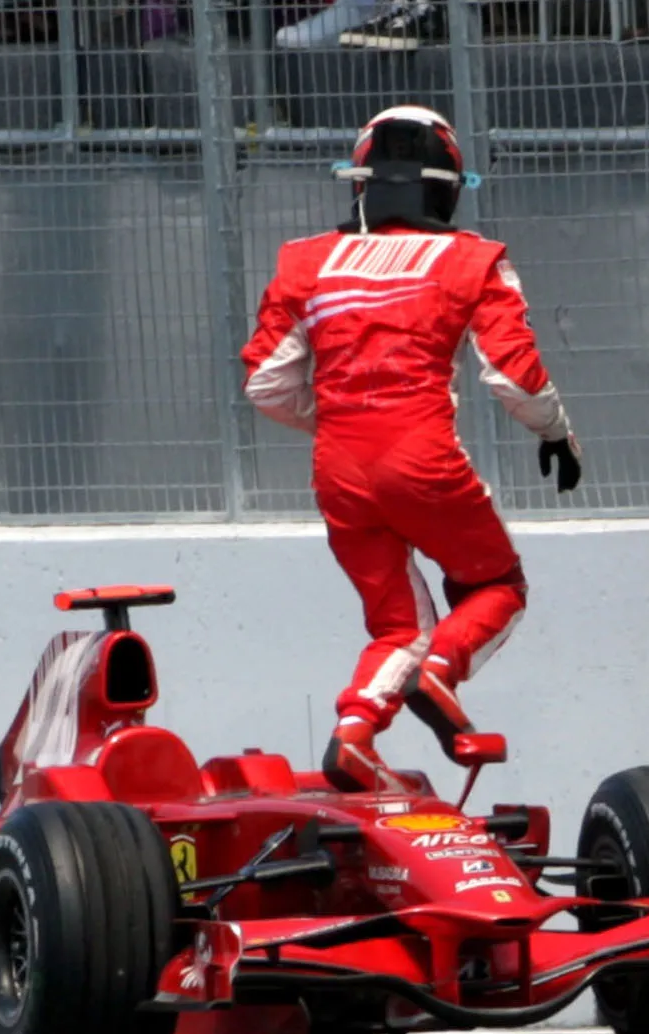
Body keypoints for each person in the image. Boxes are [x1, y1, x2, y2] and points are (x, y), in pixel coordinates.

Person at [241, 107, 583, 793]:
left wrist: (343, 418)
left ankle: (356, 735)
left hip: (336, 469)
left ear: (361, 183)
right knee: (496, 586)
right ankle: (440, 673)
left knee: (398, 624)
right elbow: (513, 374)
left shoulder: (303, 261)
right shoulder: (472, 259)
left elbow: (266, 384)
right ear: (449, 185)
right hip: (424, 460)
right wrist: (555, 433)